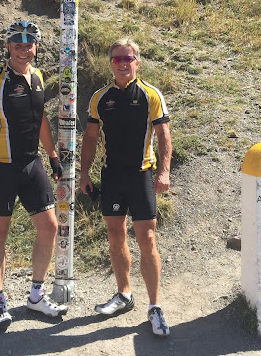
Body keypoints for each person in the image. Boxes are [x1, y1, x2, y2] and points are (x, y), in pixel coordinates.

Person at [0, 19, 67, 332]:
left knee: (50, 227)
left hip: (30, 163)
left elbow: (40, 120)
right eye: (17, 44)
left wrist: (52, 155)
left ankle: (36, 296)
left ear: (36, 47)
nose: (23, 50)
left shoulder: (37, 77)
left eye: (29, 44)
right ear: (7, 46)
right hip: (1, 167)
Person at [80, 37, 172, 337]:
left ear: (137, 62)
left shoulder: (150, 94)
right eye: (117, 59)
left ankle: (155, 307)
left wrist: (164, 172)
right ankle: (124, 294)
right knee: (115, 234)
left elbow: (164, 135)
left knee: (147, 238)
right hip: (112, 176)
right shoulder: (100, 98)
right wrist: (84, 173)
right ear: (110, 63)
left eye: (128, 58)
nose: (122, 64)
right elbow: (91, 137)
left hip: (141, 175)